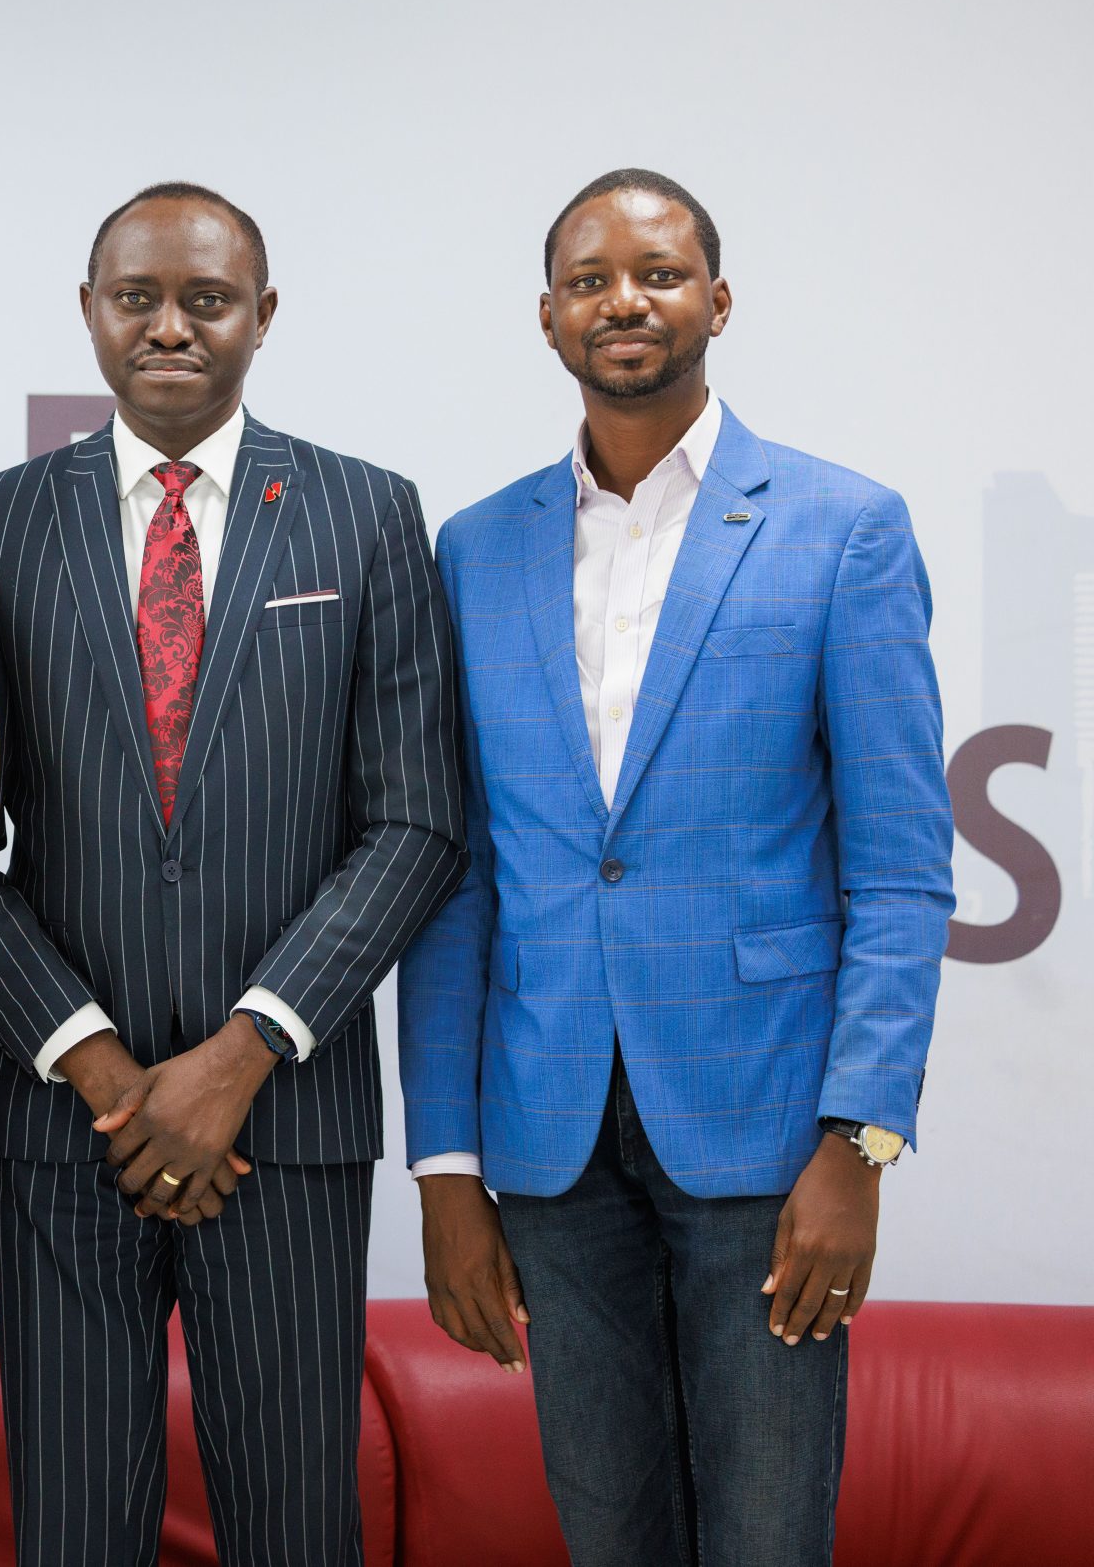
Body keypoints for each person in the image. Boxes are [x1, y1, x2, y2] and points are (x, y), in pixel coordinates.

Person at [397, 169, 954, 1566]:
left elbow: (899, 871)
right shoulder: (474, 550)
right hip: (550, 1146)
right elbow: (459, 882)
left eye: (655, 273)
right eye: (589, 279)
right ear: (545, 318)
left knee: (767, 1538)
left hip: (769, 1137)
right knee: (609, 1534)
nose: (622, 301)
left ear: (718, 299)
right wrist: (449, 1169)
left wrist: (860, 1139)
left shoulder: (844, 528)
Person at [0, 183, 467, 1565]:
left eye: (208, 301)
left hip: (283, 1128)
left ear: (263, 318)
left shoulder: (365, 516)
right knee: (73, 1528)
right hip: (68, 1130)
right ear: (91, 313)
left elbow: (414, 824)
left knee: (297, 1525)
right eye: (138, 299)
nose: (170, 327)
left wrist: (240, 1055)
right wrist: (103, 1072)